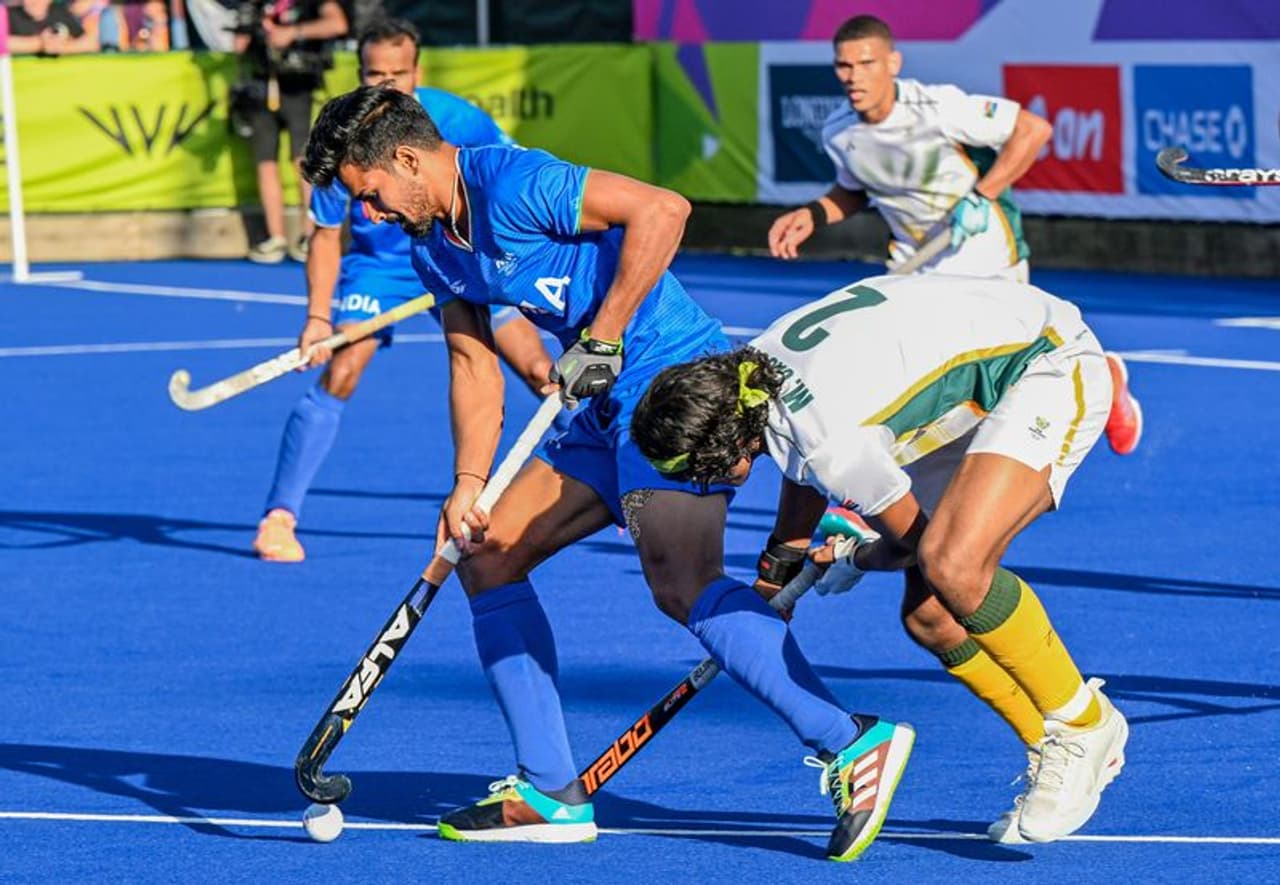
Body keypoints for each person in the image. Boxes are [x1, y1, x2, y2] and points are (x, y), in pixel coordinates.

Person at [300, 84, 916, 861]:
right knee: (488, 552)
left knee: (682, 582)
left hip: (676, 383)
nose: (369, 214)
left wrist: (606, 333)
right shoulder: (432, 245)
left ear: (407, 158)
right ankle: (549, 789)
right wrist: (468, 484)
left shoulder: (513, 182)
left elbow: (664, 209)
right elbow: (472, 362)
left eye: (369, 193)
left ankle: (851, 740)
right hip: (599, 403)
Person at [631, 271, 1130, 845]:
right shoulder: (755, 372)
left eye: (703, 472)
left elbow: (905, 539)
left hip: (1047, 361)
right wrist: (777, 573)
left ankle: (1084, 725)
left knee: (953, 565)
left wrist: (855, 556)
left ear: (731, 449)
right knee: (930, 616)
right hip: (975, 370)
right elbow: (800, 461)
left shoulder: (832, 445)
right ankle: (1046, 742)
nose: (705, 485)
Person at [766, 14, 1143, 458]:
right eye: (844, 66)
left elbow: (1032, 130)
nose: (853, 76)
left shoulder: (938, 108)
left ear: (893, 63)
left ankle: (1105, 376)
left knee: (1006, 371)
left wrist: (982, 196)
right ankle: (896, 472)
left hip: (985, 253)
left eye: (866, 64)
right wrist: (813, 214)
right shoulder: (839, 130)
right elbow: (854, 189)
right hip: (912, 265)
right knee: (908, 368)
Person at [253, 18, 558, 564]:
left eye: (399, 73)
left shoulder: (457, 118)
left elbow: (508, 173)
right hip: (382, 269)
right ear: (360, 72)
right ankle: (279, 517)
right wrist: (318, 317)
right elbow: (325, 235)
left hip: (461, 257)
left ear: (417, 71)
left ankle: (608, 480)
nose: (389, 84)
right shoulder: (343, 137)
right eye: (376, 74)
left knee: (540, 372)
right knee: (342, 368)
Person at [232, 0, 347, 263]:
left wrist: (293, 32)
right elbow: (238, 46)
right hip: (260, 85)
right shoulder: (255, 4)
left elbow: (337, 23)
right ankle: (276, 237)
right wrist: (247, 31)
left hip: (298, 84)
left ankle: (309, 234)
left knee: (302, 159)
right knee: (265, 161)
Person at [8, 0, 100, 54]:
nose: (36, 1)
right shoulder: (9, 15)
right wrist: (41, 43)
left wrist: (64, 48)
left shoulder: (60, 11)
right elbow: (4, 44)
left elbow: (91, 44)